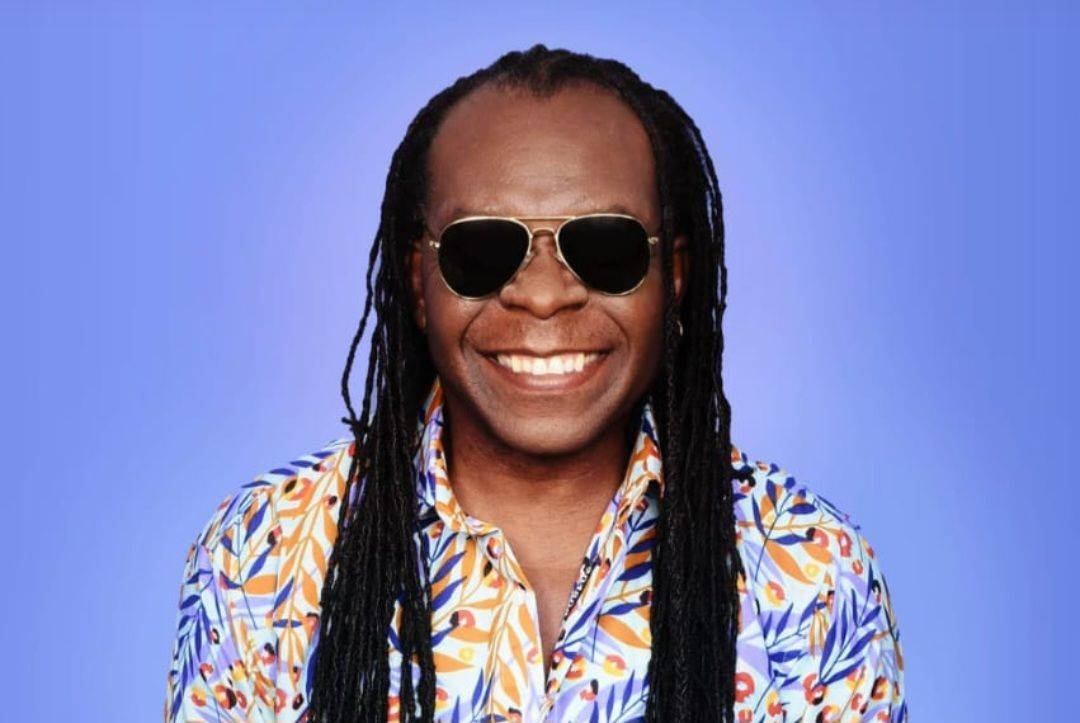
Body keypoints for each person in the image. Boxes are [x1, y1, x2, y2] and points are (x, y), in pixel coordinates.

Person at [164, 44, 906, 723]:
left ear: (673, 278)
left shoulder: (812, 570)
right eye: (482, 249)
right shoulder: (258, 557)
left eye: (605, 247)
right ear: (419, 283)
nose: (545, 296)